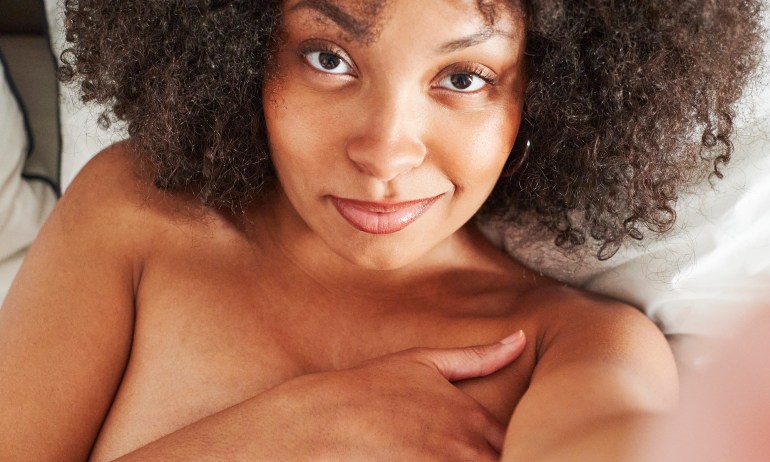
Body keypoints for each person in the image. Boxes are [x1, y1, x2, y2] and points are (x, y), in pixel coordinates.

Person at [0, 0, 761, 460]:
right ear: (242, 50)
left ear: (549, 87)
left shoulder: (572, 344)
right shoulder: (139, 211)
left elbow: (614, 439)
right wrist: (277, 438)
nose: (386, 152)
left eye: (463, 78)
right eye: (328, 58)